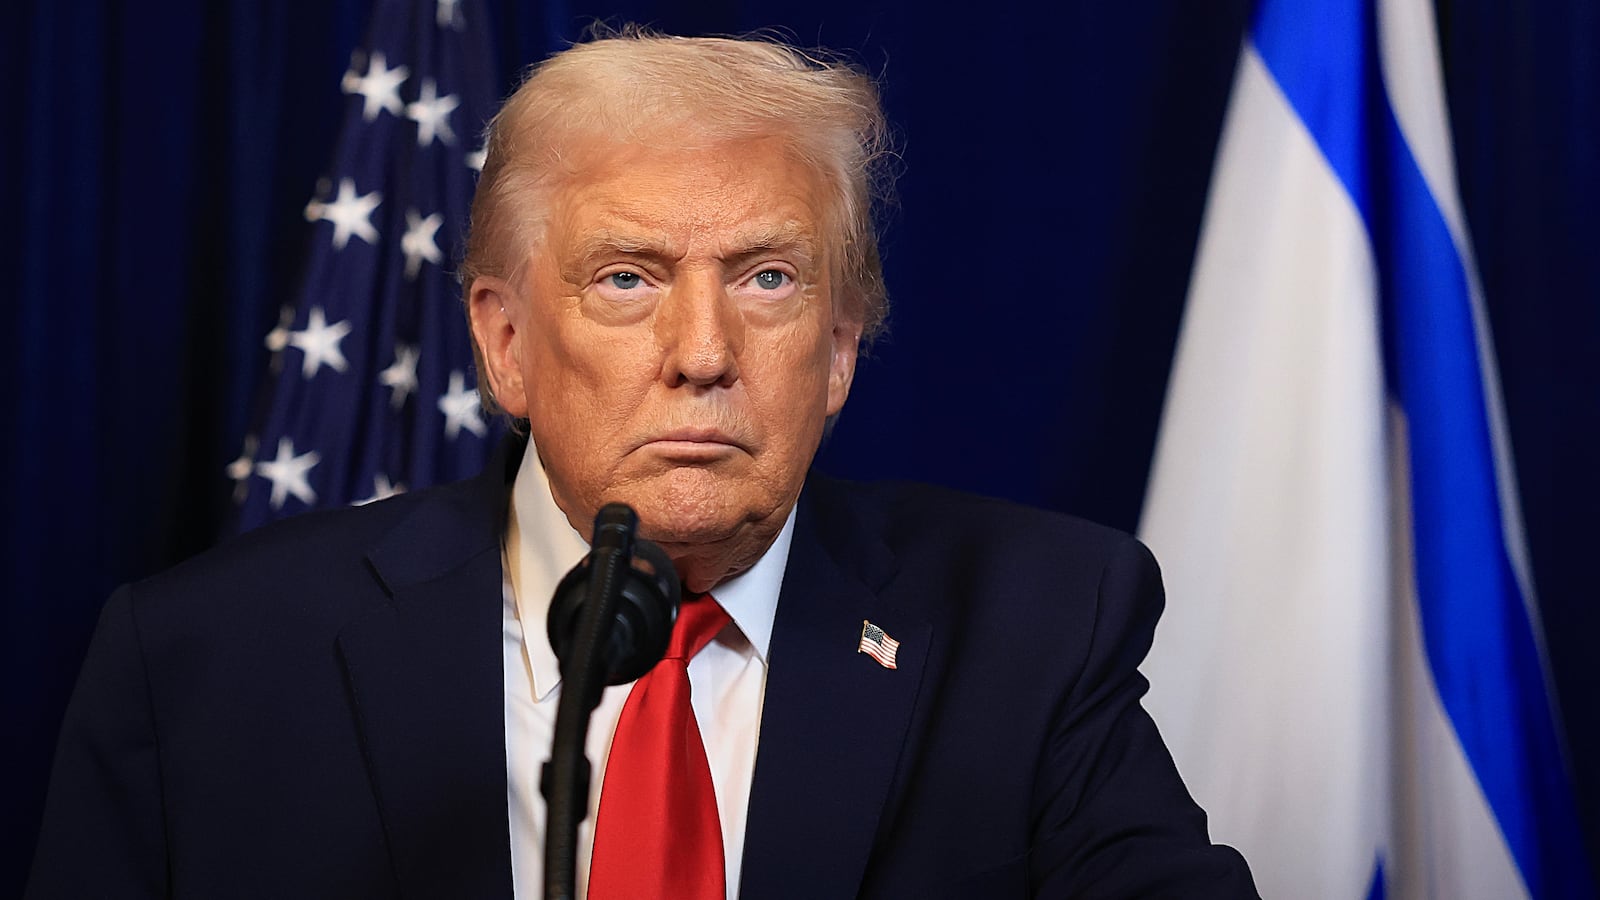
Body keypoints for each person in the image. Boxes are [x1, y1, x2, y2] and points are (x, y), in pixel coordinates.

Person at [27, 31, 1257, 900]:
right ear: (505, 343)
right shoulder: (203, 666)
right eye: (628, 279)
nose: (703, 354)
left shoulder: (1033, 629)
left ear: (838, 351)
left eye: (767, 278)